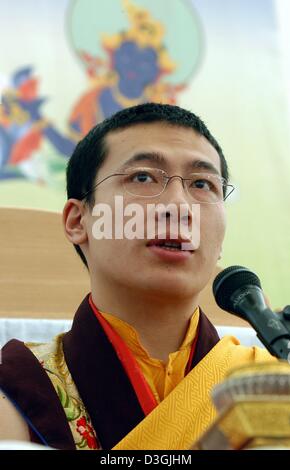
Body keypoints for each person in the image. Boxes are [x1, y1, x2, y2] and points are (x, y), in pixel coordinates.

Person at [0, 103, 274, 450]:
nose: (179, 206)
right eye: (143, 177)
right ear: (78, 221)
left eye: (203, 184)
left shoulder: (271, 386)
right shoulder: (16, 390)